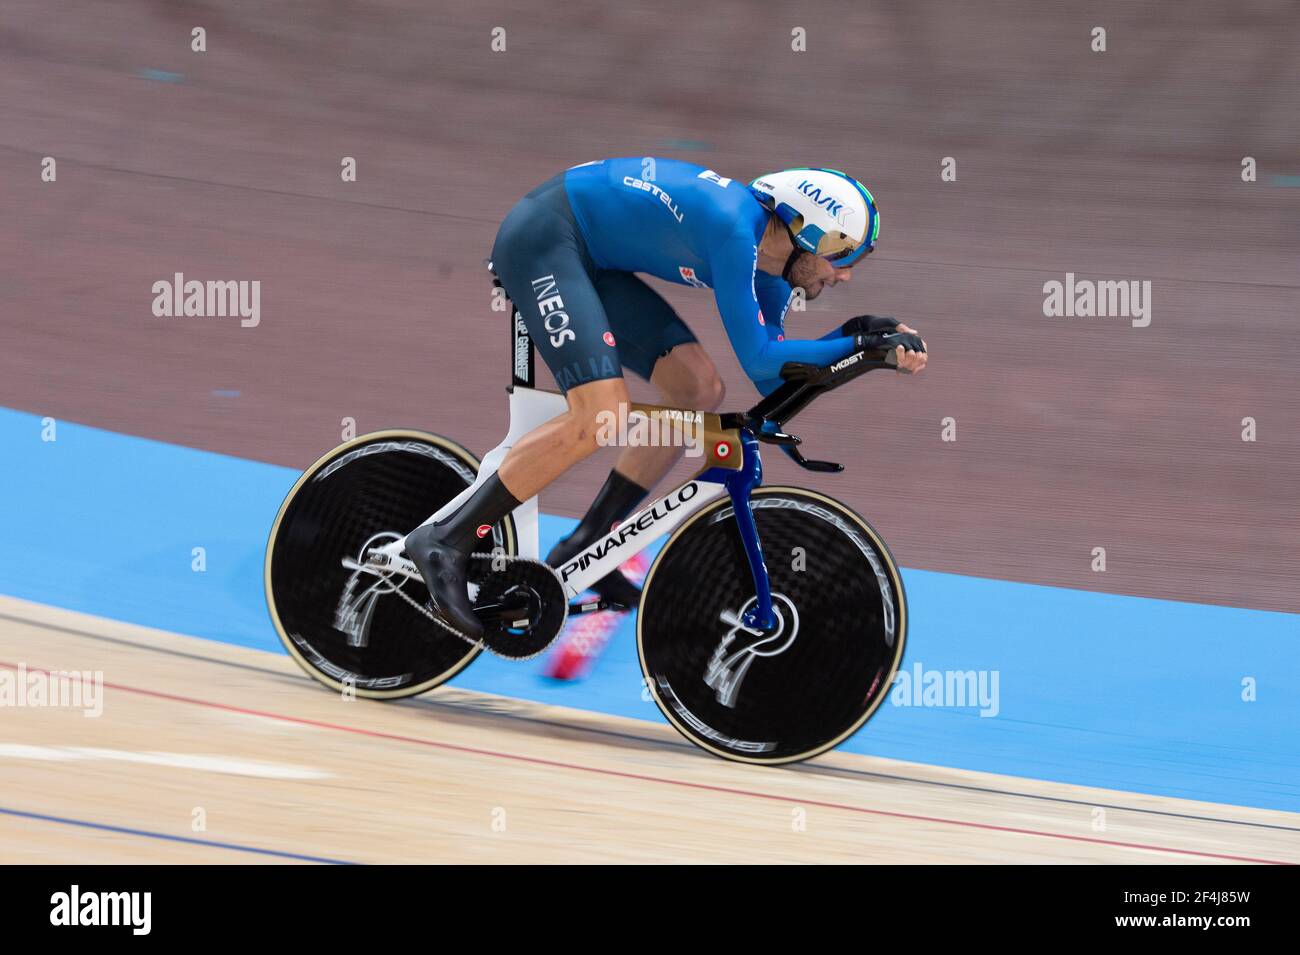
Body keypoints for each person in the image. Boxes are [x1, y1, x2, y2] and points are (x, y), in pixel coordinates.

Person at [406, 158, 927, 636]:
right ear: (804, 232)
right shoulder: (733, 230)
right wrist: (861, 345)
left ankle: (587, 545)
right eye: (841, 256)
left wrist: (859, 342)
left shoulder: (771, 272)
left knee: (698, 389)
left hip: (590, 260)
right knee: (601, 415)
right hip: (546, 239)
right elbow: (763, 358)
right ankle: (445, 541)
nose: (845, 274)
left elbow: (775, 380)